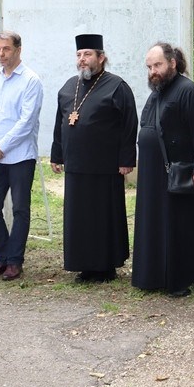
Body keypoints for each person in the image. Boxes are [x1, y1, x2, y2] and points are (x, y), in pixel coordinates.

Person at [51, 34, 138, 283]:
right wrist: (57, 154)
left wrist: (126, 159)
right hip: (76, 166)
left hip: (105, 166)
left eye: (87, 54)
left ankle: (105, 266)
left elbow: (129, 124)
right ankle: (83, 265)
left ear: (101, 57)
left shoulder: (116, 86)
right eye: (79, 55)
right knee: (79, 218)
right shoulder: (69, 86)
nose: (82, 59)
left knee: (102, 217)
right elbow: (60, 123)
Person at [132, 42, 194, 297]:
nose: (153, 71)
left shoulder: (189, 91)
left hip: (179, 170)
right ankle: (153, 276)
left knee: (179, 225)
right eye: (149, 67)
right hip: (152, 173)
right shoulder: (157, 92)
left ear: (172, 63)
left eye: (158, 65)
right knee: (155, 222)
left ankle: (180, 280)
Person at [0, 31, 43, 281]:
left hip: (20, 156)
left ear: (18, 50)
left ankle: (15, 261)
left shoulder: (31, 80)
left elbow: (27, 122)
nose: (1, 54)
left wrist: (1, 146)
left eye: (6, 49)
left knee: (20, 209)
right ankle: (2, 257)